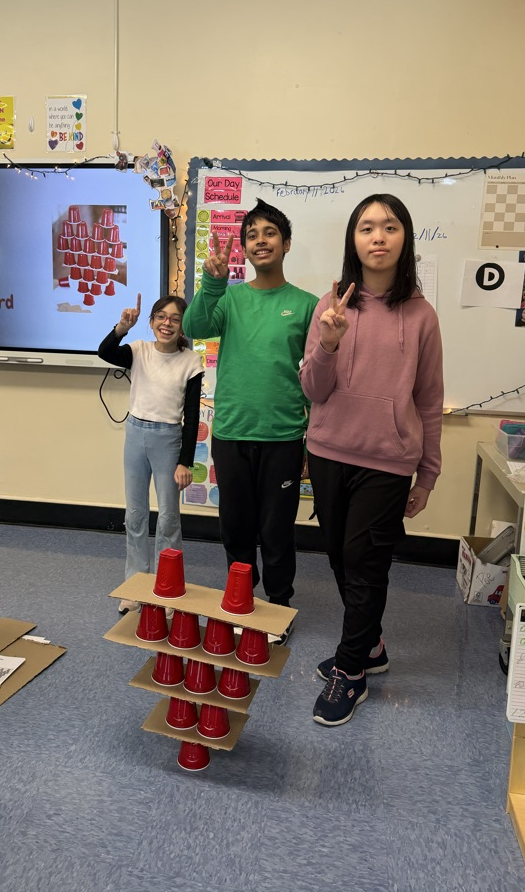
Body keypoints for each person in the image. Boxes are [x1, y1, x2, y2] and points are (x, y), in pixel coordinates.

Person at [300, 194, 443, 726]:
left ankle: (352, 671)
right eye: (366, 228)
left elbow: (428, 398)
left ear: (405, 238)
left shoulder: (422, 316)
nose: (378, 237)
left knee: (364, 564)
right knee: (339, 556)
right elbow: (313, 390)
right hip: (330, 451)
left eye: (389, 227)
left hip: (388, 460)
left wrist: (427, 474)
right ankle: (372, 647)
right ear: (353, 240)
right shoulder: (331, 304)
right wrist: (329, 345)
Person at [183, 199, 318, 642]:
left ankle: (277, 606)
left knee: (276, 528)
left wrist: (311, 440)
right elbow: (196, 326)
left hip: (282, 435)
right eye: (252, 235)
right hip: (231, 431)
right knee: (235, 526)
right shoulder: (231, 297)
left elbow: (321, 376)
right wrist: (212, 282)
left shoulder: (306, 305)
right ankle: (241, 596)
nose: (260, 241)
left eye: (270, 233)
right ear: (243, 248)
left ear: (286, 243)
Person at [98, 294, 203, 614]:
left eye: (174, 319)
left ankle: (168, 585)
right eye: (160, 316)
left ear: (183, 326)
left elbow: (192, 416)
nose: (166, 324)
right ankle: (135, 585)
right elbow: (105, 353)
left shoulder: (191, 362)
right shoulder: (138, 350)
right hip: (136, 434)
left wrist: (185, 460)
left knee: (169, 518)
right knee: (136, 515)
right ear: (151, 321)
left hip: (168, 440)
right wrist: (121, 328)